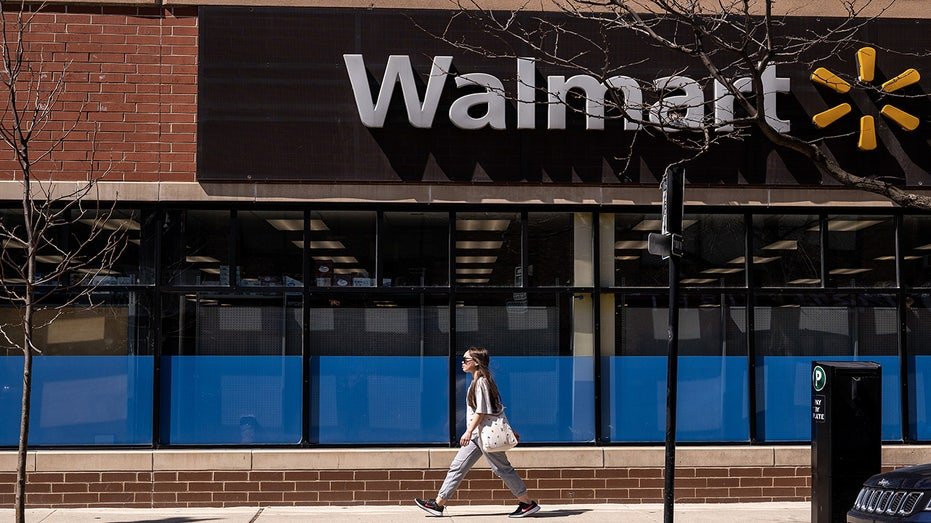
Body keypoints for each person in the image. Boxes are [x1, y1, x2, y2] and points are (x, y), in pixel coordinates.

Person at [414, 347, 540, 518]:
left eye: (466, 360)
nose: (462, 362)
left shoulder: (481, 382)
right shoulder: (478, 382)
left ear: (476, 362)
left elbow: (482, 412)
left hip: (482, 436)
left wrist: (468, 431)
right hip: (477, 437)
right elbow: (495, 410)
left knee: (502, 469)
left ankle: (527, 503)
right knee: (457, 467)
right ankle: (438, 504)